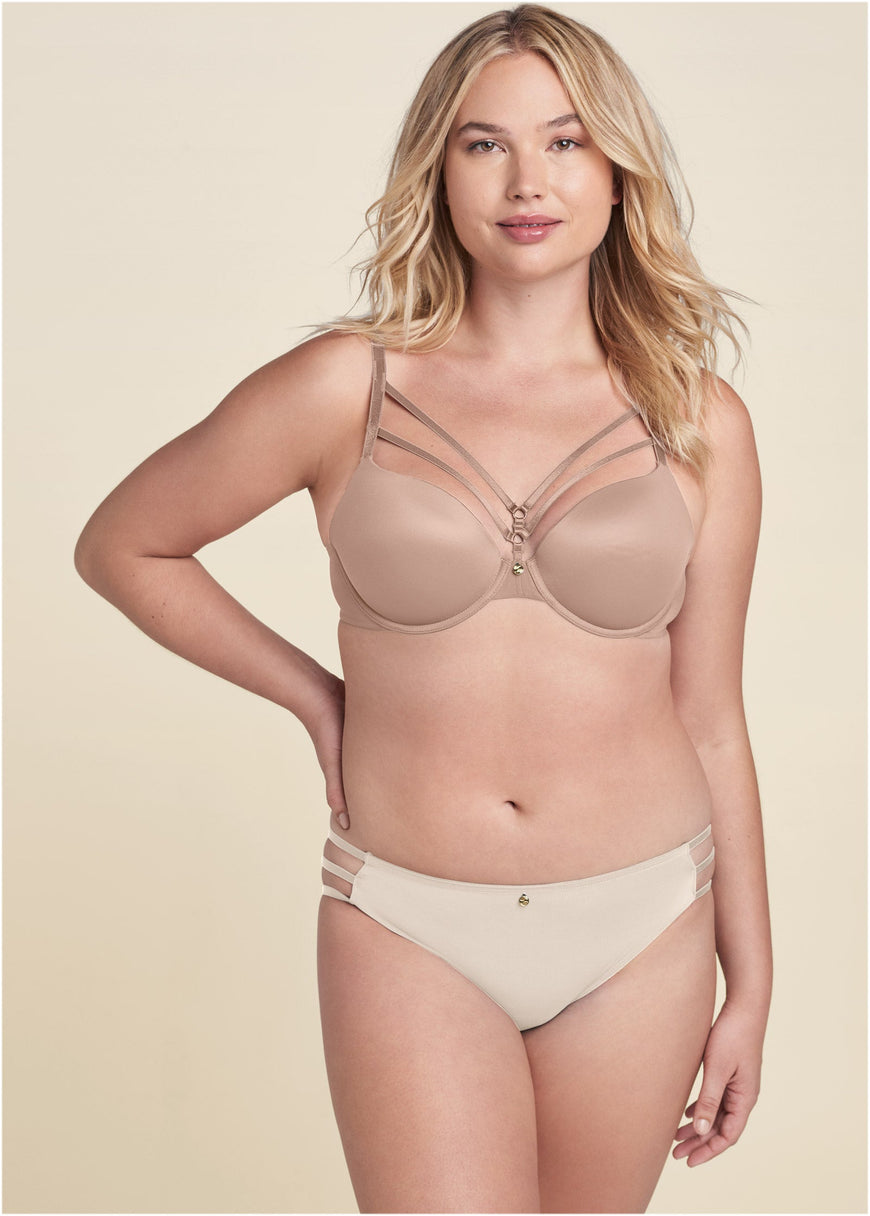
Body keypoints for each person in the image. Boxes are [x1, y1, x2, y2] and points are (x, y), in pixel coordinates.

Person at [74, 5, 772, 1211]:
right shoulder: (346, 386)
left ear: (618, 172)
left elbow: (711, 713)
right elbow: (125, 544)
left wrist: (750, 980)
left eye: (566, 141)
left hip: (647, 917)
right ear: (437, 171)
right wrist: (317, 699)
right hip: (409, 920)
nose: (527, 181)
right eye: (483, 143)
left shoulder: (699, 418)